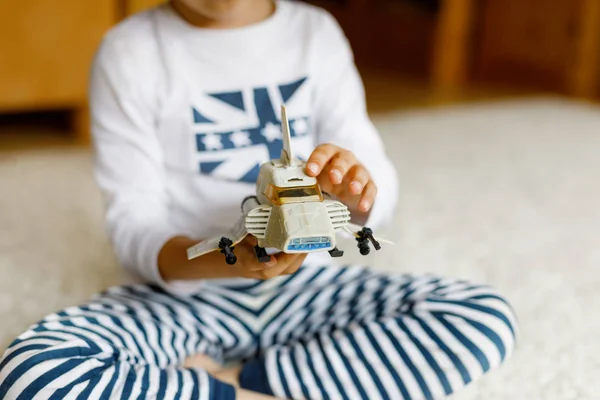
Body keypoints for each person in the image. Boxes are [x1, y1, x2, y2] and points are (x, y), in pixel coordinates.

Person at [0, 0, 518, 399]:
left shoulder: (315, 35)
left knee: (483, 316)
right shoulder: (129, 51)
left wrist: (355, 192)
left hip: (309, 287)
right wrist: (230, 258)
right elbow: (134, 227)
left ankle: (228, 381)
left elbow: (372, 193)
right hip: (183, 301)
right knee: (36, 372)